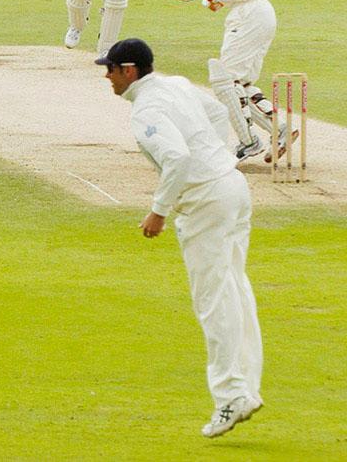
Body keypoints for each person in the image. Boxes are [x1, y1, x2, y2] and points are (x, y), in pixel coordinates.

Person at [95, 38, 263, 439]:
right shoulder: (176, 84)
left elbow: (177, 158)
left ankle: (230, 396)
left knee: (213, 300)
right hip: (232, 188)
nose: (107, 77)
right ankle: (245, 390)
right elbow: (218, 112)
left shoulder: (147, 110)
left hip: (207, 201)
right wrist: (216, 159)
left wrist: (159, 210)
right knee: (235, 289)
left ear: (129, 70)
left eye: (111, 69)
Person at [170, 0, 284, 162]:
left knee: (226, 81)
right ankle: (280, 130)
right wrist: (214, 0)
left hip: (251, 14)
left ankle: (249, 142)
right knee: (241, 84)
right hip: (251, 14)